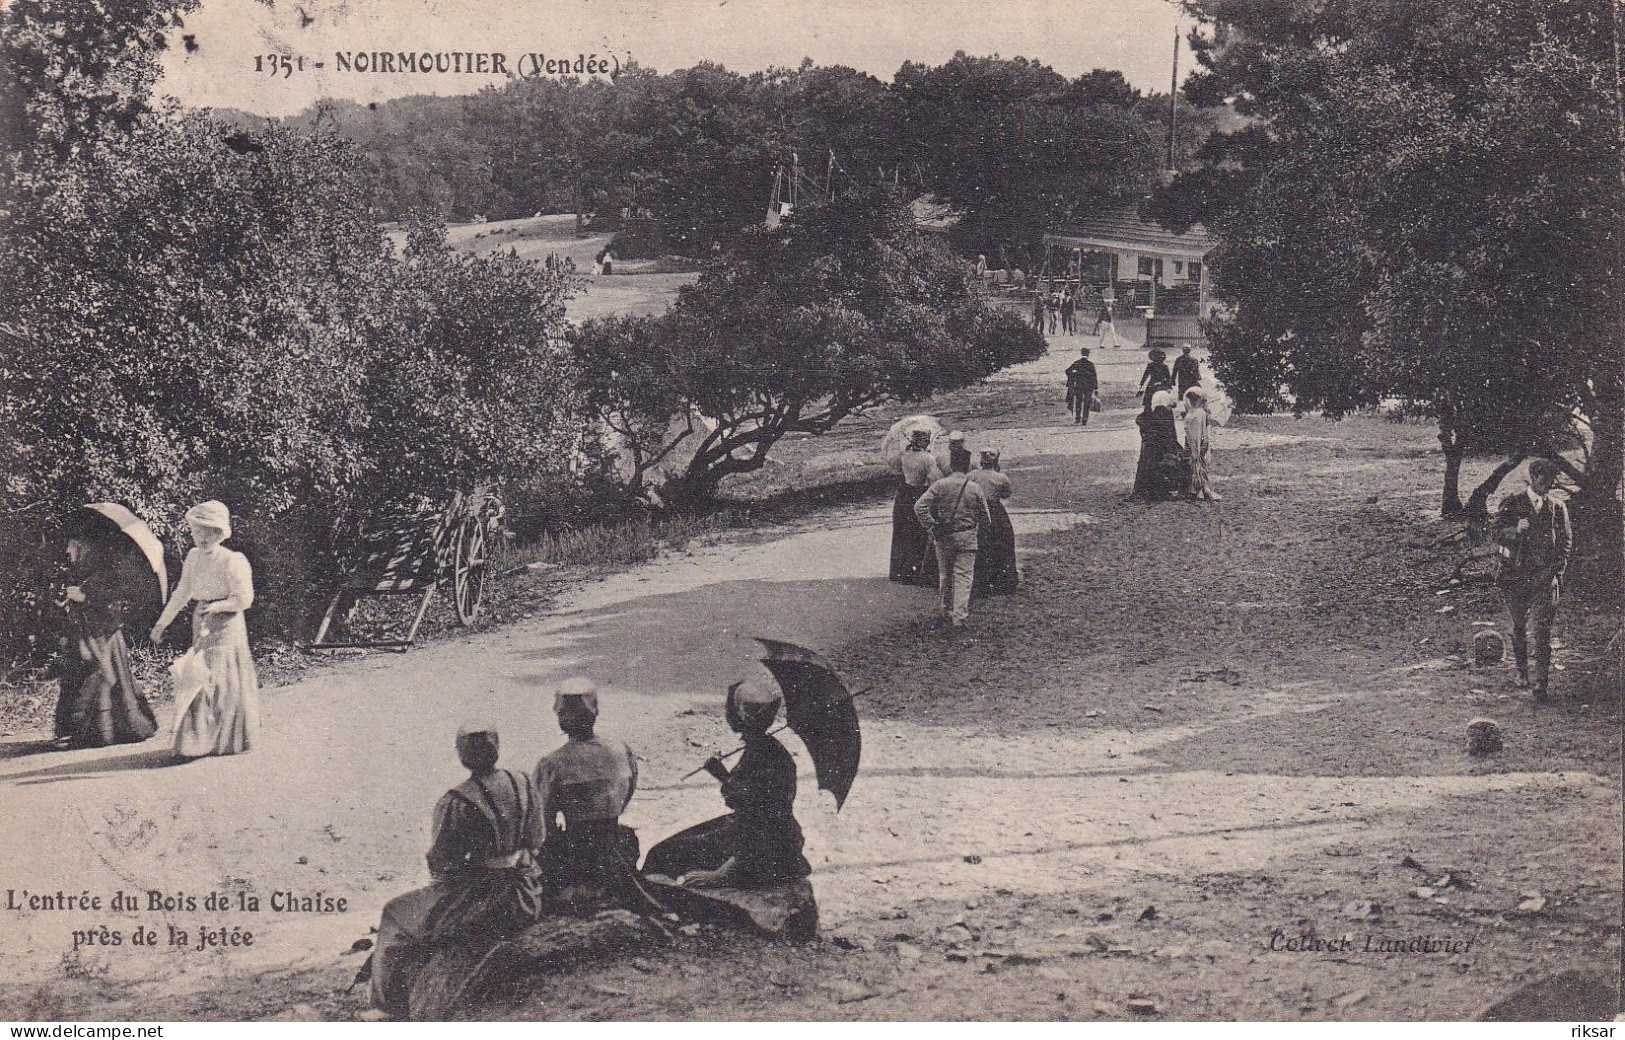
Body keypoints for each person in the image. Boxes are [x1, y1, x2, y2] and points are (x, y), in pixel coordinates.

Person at [366, 725, 545, 1019]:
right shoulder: (523, 783)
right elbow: (537, 840)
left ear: (462, 756)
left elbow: (440, 864)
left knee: (395, 913)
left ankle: (385, 1008)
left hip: (485, 900)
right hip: (524, 891)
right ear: (497, 747)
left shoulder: (457, 802)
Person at [642, 674, 811, 890]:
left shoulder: (763, 755)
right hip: (762, 833)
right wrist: (723, 775)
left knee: (662, 855)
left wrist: (721, 875)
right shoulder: (765, 748)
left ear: (740, 716)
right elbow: (751, 802)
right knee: (666, 850)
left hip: (763, 850)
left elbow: (760, 825)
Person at [150, 501, 259, 758]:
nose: (203, 538)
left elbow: (245, 599)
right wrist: (162, 622)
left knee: (221, 678)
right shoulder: (193, 557)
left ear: (221, 533)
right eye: (198, 531)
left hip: (227, 623)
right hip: (201, 620)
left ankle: (228, 739)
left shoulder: (232, 560)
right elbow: (182, 592)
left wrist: (219, 606)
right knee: (197, 676)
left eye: (211, 532)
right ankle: (198, 740)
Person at [532, 678, 645, 905]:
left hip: (578, 851)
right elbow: (628, 792)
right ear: (595, 712)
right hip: (616, 842)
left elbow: (542, 818)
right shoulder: (621, 750)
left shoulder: (552, 763)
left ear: (561, 718)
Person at [54, 516, 158, 748]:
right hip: (84, 631)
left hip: (103, 634)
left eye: (71, 544)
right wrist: (70, 597)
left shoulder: (106, 568)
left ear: (81, 543)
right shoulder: (81, 567)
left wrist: (84, 597)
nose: (67, 550)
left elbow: (113, 600)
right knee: (83, 673)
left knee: (98, 674)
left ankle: (100, 732)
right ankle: (82, 731)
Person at [1491, 459, 1572, 702]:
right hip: (1514, 577)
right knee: (1518, 627)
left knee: (1542, 631)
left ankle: (1541, 684)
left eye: (1550, 481)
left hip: (1543, 578)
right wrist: (1515, 529)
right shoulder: (1513, 503)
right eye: (1542, 480)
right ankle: (1522, 671)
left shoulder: (1557, 508)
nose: (1546, 486)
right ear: (1533, 478)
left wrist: (1557, 572)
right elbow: (1495, 532)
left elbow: (1566, 542)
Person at [914, 443, 992, 629]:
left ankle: (945, 610)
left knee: (945, 575)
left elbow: (919, 507)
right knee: (964, 576)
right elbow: (986, 517)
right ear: (966, 466)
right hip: (967, 534)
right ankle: (959, 617)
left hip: (944, 536)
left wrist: (932, 525)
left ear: (951, 465)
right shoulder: (974, 488)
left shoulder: (940, 485)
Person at [890, 428, 945, 586]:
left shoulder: (903, 455)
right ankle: (918, 571)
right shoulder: (928, 458)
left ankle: (900, 571)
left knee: (902, 532)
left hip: (904, 494)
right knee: (919, 532)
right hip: (919, 492)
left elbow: (898, 470)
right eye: (926, 439)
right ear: (922, 441)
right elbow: (935, 479)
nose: (928, 441)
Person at [969, 448, 1019, 597]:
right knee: (1002, 542)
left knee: (980, 543)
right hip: (995, 511)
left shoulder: (972, 475)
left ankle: (979, 582)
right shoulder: (1001, 478)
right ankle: (1002, 581)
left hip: (976, 509)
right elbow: (1006, 494)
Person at [1132, 391, 1186, 501]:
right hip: (1160, 449)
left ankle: (1145, 490)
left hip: (1148, 449)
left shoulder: (1149, 413)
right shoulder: (1165, 413)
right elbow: (1169, 435)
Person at [1183, 387, 1221, 501]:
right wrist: (1204, 445)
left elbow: (1189, 433)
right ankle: (1203, 489)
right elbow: (1204, 432)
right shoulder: (1201, 414)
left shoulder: (1189, 415)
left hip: (1191, 443)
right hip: (1200, 442)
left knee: (1194, 465)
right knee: (1201, 464)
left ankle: (1195, 490)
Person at [1064, 346, 1099, 426]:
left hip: (1079, 385)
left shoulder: (1077, 363)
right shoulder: (1091, 364)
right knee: (1087, 403)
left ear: (1081, 353)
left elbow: (1067, 371)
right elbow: (1094, 377)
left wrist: (1074, 374)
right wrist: (1096, 388)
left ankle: (1077, 418)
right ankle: (1085, 420)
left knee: (1078, 402)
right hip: (1089, 387)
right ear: (1088, 354)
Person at [1137, 348, 1174, 413]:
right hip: (1162, 385)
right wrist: (1169, 388)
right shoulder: (1164, 366)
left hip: (1152, 384)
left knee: (1149, 401)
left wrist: (1141, 385)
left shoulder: (1150, 365)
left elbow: (1145, 376)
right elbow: (1168, 378)